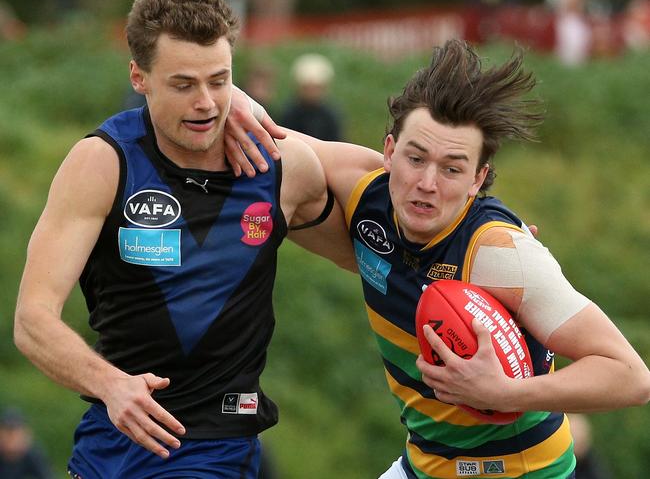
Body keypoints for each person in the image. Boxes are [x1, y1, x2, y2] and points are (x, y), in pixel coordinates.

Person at [230, 38, 650, 478]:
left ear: (478, 178)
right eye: (416, 158)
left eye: (452, 168)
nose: (427, 182)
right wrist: (224, 91)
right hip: (426, 461)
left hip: (519, 469)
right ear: (390, 152)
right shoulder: (363, 188)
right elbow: (268, 132)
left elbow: (630, 376)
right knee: (286, 163)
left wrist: (506, 392)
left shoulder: (499, 255)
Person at [13, 0, 352, 478]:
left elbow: (373, 244)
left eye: (219, 81)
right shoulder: (103, 163)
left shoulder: (279, 165)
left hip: (216, 449)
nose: (206, 103)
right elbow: (31, 321)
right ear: (139, 78)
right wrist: (110, 385)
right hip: (110, 447)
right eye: (183, 84)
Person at [280, 53, 343, 141]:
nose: (312, 92)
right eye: (307, 88)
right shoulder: (290, 114)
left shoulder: (330, 116)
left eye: (316, 88)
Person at [0, 407, 54, 479]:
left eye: (15, 433)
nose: (12, 438)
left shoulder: (32, 455)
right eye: (8, 433)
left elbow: (47, 475)